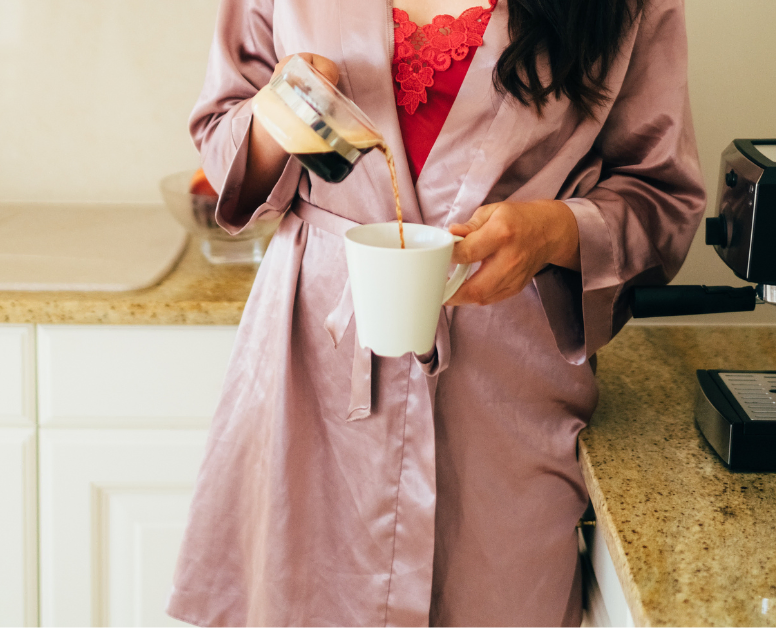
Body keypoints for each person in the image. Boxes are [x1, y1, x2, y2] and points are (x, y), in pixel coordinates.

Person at [167, 0, 705, 625]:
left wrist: (555, 231)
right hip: (312, 378)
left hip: (506, 398)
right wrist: (273, 119)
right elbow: (221, 135)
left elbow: (662, 196)